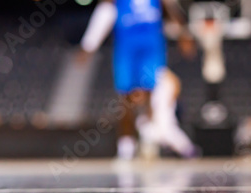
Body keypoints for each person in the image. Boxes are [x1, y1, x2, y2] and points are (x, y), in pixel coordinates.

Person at [78, 0, 188, 160]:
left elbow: (170, 10)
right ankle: (126, 145)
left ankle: (149, 139)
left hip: (151, 47)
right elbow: (104, 13)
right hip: (127, 48)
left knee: (151, 92)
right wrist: (89, 44)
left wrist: (182, 34)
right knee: (125, 97)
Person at [137, 68, 198, 158]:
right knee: (145, 126)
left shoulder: (158, 70)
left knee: (166, 129)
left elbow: (176, 82)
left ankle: (189, 150)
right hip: (158, 107)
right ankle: (151, 152)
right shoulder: (144, 77)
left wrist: (173, 99)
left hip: (166, 106)